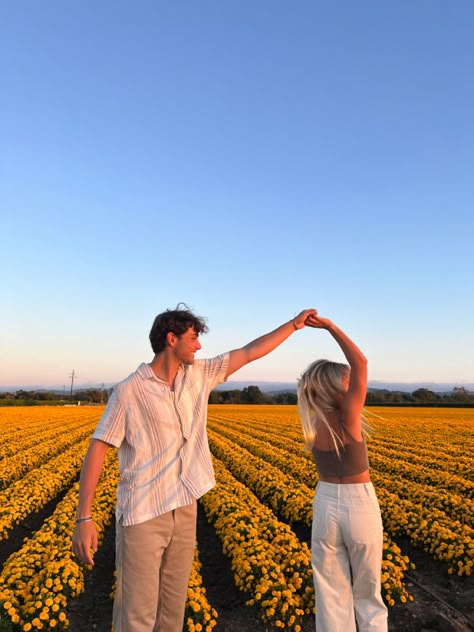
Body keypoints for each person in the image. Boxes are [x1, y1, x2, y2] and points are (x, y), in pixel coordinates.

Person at [72, 303, 317, 632]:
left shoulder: (199, 375)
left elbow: (249, 352)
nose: (199, 346)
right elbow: (98, 447)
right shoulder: (129, 391)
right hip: (143, 513)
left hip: (184, 506)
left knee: (172, 610)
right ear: (171, 339)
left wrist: (294, 325)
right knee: (137, 615)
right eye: (193, 338)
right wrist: (84, 518)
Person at [297, 313, 388, 632]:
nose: (355, 387)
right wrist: (332, 328)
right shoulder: (347, 418)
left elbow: (355, 369)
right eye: (348, 382)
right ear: (338, 389)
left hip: (324, 504)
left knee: (331, 593)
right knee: (368, 592)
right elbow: (361, 362)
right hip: (358, 503)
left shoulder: (315, 422)